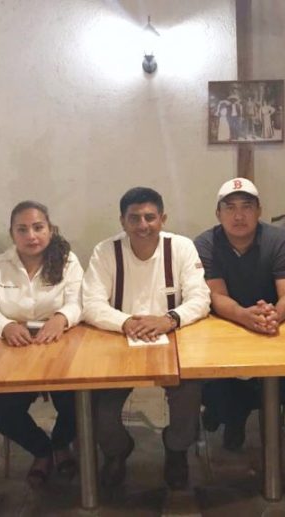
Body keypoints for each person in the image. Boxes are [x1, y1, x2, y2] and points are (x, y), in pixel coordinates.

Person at [194, 179, 285, 466]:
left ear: (259, 211)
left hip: (276, 328)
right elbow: (216, 296)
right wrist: (245, 316)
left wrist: (273, 315)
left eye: (247, 207)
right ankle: (232, 417)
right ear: (218, 213)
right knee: (214, 384)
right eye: (230, 208)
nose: (239, 215)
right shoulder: (206, 243)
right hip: (227, 328)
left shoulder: (278, 239)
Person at [82, 187, 210, 490]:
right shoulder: (105, 251)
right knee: (99, 405)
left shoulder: (181, 247)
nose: (143, 225)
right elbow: (91, 304)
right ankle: (116, 450)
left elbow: (201, 298)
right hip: (118, 340)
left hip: (172, 339)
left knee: (189, 394)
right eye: (134, 218)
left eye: (150, 217)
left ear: (163, 218)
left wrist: (168, 320)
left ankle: (176, 449)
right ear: (122, 221)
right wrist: (126, 322)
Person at [0, 201, 83, 487]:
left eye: (38, 227)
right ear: (12, 234)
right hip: (14, 348)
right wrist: (5, 326)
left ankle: (61, 444)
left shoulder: (68, 261)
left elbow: (79, 302)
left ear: (50, 229)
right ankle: (41, 450)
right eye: (22, 229)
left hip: (59, 345)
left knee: (78, 399)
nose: (31, 236)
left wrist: (61, 317)